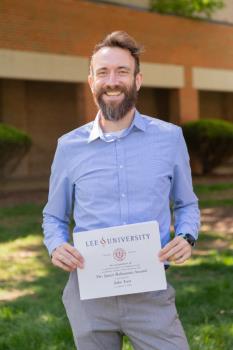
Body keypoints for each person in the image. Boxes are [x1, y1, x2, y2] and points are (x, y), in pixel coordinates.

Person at [43, 31, 200, 350]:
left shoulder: (169, 138)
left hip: (150, 293)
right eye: (103, 72)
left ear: (138, 80)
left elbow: (186, 204)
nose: (111, 81)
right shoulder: (68, 146)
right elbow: (54, 217)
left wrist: (186, 236)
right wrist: (57, 245)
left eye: (122, 71)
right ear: (91, 81)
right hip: (88, 295)